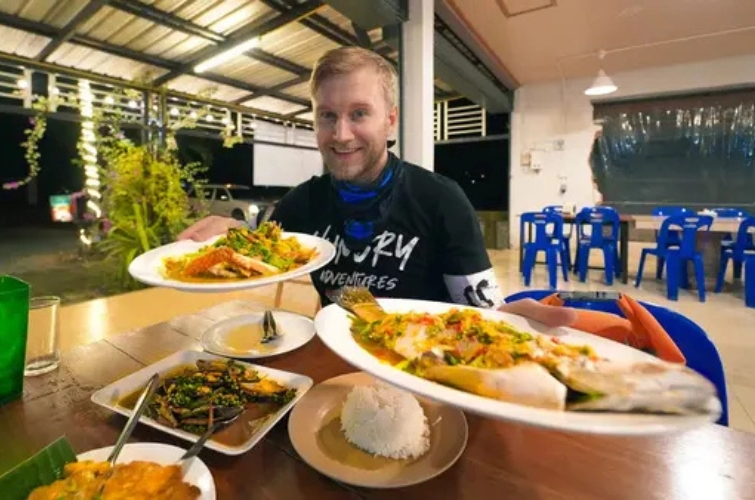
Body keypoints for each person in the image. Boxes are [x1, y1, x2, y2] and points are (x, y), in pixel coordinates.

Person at [179, 46, 575, 328]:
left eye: (359, 113)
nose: (341, 133)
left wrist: (506, 322)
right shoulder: (302, 203)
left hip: (424, 366)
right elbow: (262, 253)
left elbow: (483, 309)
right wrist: (234, 241)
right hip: (337, 360)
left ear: (390, 120)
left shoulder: (440, 200)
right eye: (327, 116)